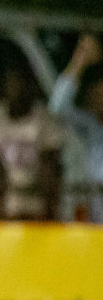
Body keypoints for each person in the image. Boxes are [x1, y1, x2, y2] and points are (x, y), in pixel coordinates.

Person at [0, 64, 64, 220]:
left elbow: (49, 168)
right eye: (11, 83)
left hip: (36, 205)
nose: (16, 89)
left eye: (21, 83)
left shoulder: (44, 119)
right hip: (4, 204)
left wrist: (47, 211)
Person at [50, 34, 103, 222]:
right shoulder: (87, 125)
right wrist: (79, 61)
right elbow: (57, 108)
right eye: (96, 92)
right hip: (92, 215)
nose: (100, 97)